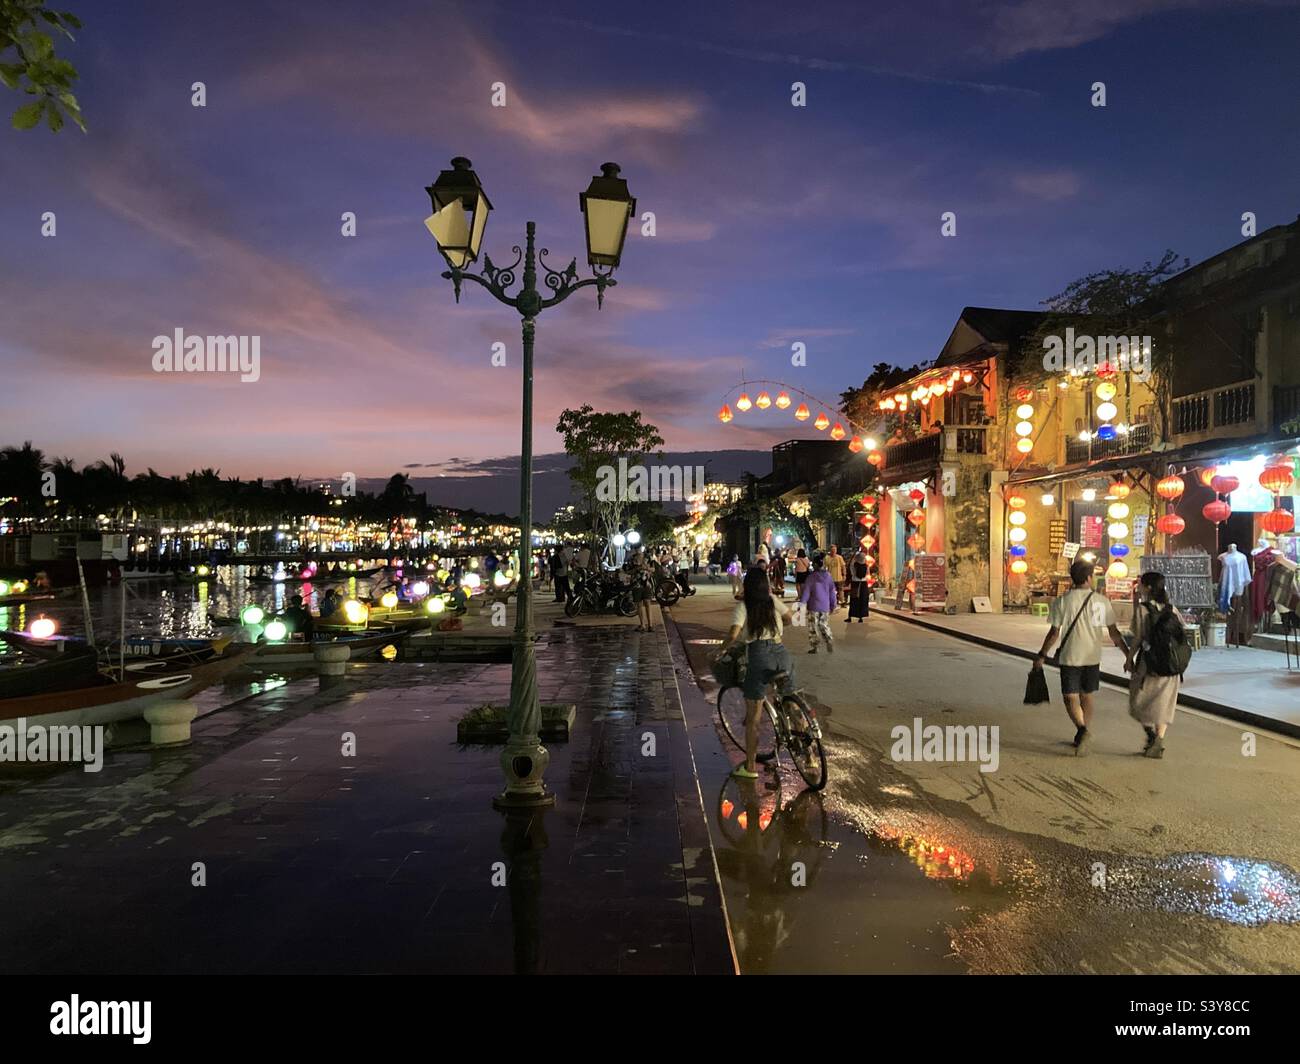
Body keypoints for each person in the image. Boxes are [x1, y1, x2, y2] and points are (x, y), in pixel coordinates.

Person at [1034, 558, 1132, 755]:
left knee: (1070, 696)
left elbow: (1054, 633)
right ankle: (1083, 732)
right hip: (1093, 656)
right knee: (1086, 695)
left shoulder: (1062, 602)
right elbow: (1114, 633)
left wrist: (1042, 654)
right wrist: (1128, 655)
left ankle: (1082, 730)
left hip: (1070, 657)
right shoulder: (1102, 602)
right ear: (1089, 578)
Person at [715, 567, 797, 779]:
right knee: (790, 700)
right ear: (766, 585)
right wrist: (779, 630)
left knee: (754, 717)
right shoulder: (772, 601)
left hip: (759, 656)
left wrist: (721, 649)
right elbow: (790, 617)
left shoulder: (743, 606)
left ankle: (750, 767)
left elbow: (734, 633)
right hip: (782, 653)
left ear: (747, 585)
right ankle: (809, 755)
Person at [1125, 572, 1186, 759]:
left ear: (1148, 588)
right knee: (1164, 704)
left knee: (1136, 702)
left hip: (1149, 663)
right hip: (1171, 665)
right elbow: (1181, 631)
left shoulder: (1142, 610)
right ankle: (1158, 739)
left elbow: (1137, 638)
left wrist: (1129, 658)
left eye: (1141, 584)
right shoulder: (1172, 609)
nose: (1139, 587)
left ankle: (1152, 736)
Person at [800, 553, 838, 653]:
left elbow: (806, 591)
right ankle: (829, 640)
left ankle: (815, 647)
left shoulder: (811, 577)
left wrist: (802, 604)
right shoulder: (828, 576)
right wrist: (833, 604)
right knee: (824, 625)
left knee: (813, 627)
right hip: (825, 605)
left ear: (816, 565)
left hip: (813, 606)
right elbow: (832, 591)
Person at [628, 548, 656, 631]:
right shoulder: (632, 559)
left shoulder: (648, 557)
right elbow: (628, 571)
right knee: (639, 605)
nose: (638, 550)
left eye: (639, 548)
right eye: (636, 548)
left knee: (647, 603)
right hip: (636, 584)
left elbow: (653, 569)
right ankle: (642, 625)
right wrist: (636, 569)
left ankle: (650, 625)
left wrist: (646, 568)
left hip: (647, 584)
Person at [846, 548, 871, 622]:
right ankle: (861, 618)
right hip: (863, 584)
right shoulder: (866, 566)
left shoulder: (853, 565)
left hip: (855, 583)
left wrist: (854, 557)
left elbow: (851, 568)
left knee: (853, 600)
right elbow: (868, 574)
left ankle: (850, 617)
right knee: (862, 600)